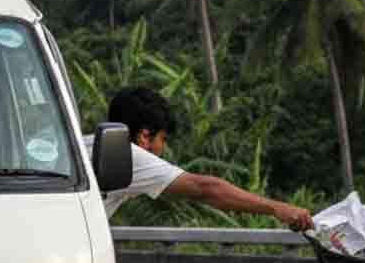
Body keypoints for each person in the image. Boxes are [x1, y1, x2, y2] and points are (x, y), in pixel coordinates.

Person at [82, 86, 314, 230]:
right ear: (144, 136)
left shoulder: (82, 144)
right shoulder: (130, 156)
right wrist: (277, 208)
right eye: (162, 139)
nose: (163, 148)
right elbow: (206, 189)